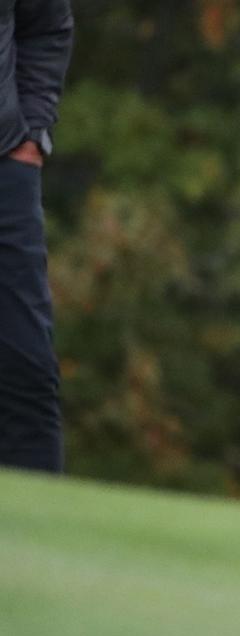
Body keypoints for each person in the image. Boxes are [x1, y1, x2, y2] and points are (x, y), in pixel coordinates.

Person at [0, 0, 74, 473]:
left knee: (28, 367)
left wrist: (30, 139)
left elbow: (46, 27)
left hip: (5, 171)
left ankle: (41, 532)